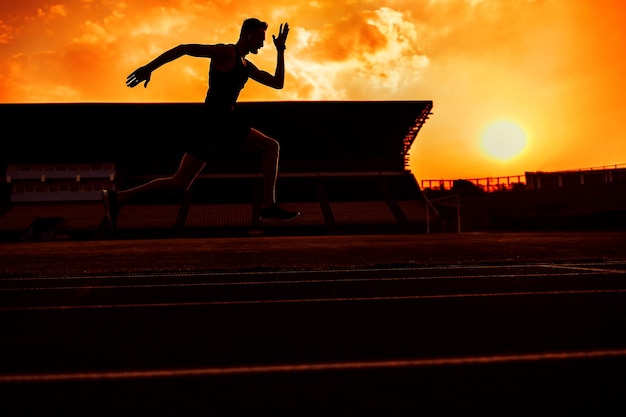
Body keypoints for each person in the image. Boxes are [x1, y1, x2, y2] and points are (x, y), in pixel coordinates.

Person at [102, 18, 300, 228]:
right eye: (260, 39)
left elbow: (277, 83)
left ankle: (117, 199)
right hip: (217, 121)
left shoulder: (246, 66)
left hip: (209, 126)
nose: (262, 44)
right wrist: (148, 68)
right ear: (248, 35)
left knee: (179, 183)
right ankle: (268, 206)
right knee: (271, 147)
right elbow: (185, 49)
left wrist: (281, 49)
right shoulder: (226, 53)